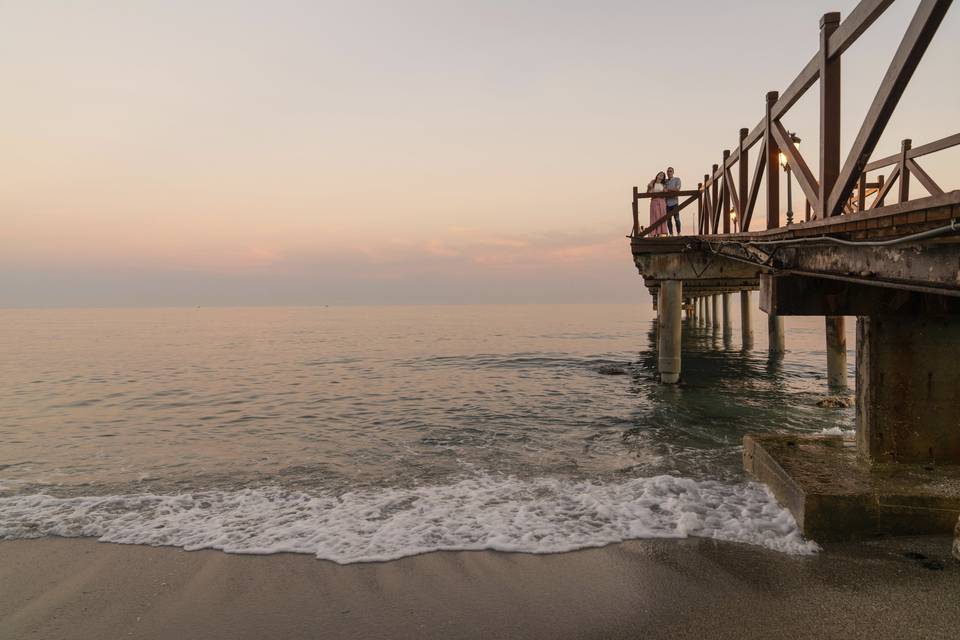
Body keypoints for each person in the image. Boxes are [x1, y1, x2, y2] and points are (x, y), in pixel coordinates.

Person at [647, 171, 668, 236]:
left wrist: (665, 191)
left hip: (662, 201)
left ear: (663, 178)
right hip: (654, 201)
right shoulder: (653, 182)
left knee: (661, 216)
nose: (661, 175)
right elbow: (648, 192)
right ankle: (654, 233)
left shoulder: (663, 184)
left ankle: (661, 232)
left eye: (663, 175)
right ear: (657, 175)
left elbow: (665, 192)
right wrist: (650, 187)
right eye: (660, 174)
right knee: (655, 216)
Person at [664, 166, 682, 235]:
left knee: (677, 219)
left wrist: (668, 190)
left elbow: (677, 189)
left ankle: (678, 233)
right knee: (668, 220)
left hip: (674, 203)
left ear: (673, 172)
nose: (669, 172)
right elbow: (661, 189)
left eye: (670, 171)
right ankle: (671, 234)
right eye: (668, 171)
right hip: (666, 203)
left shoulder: (677, 179)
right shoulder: (665, 181)